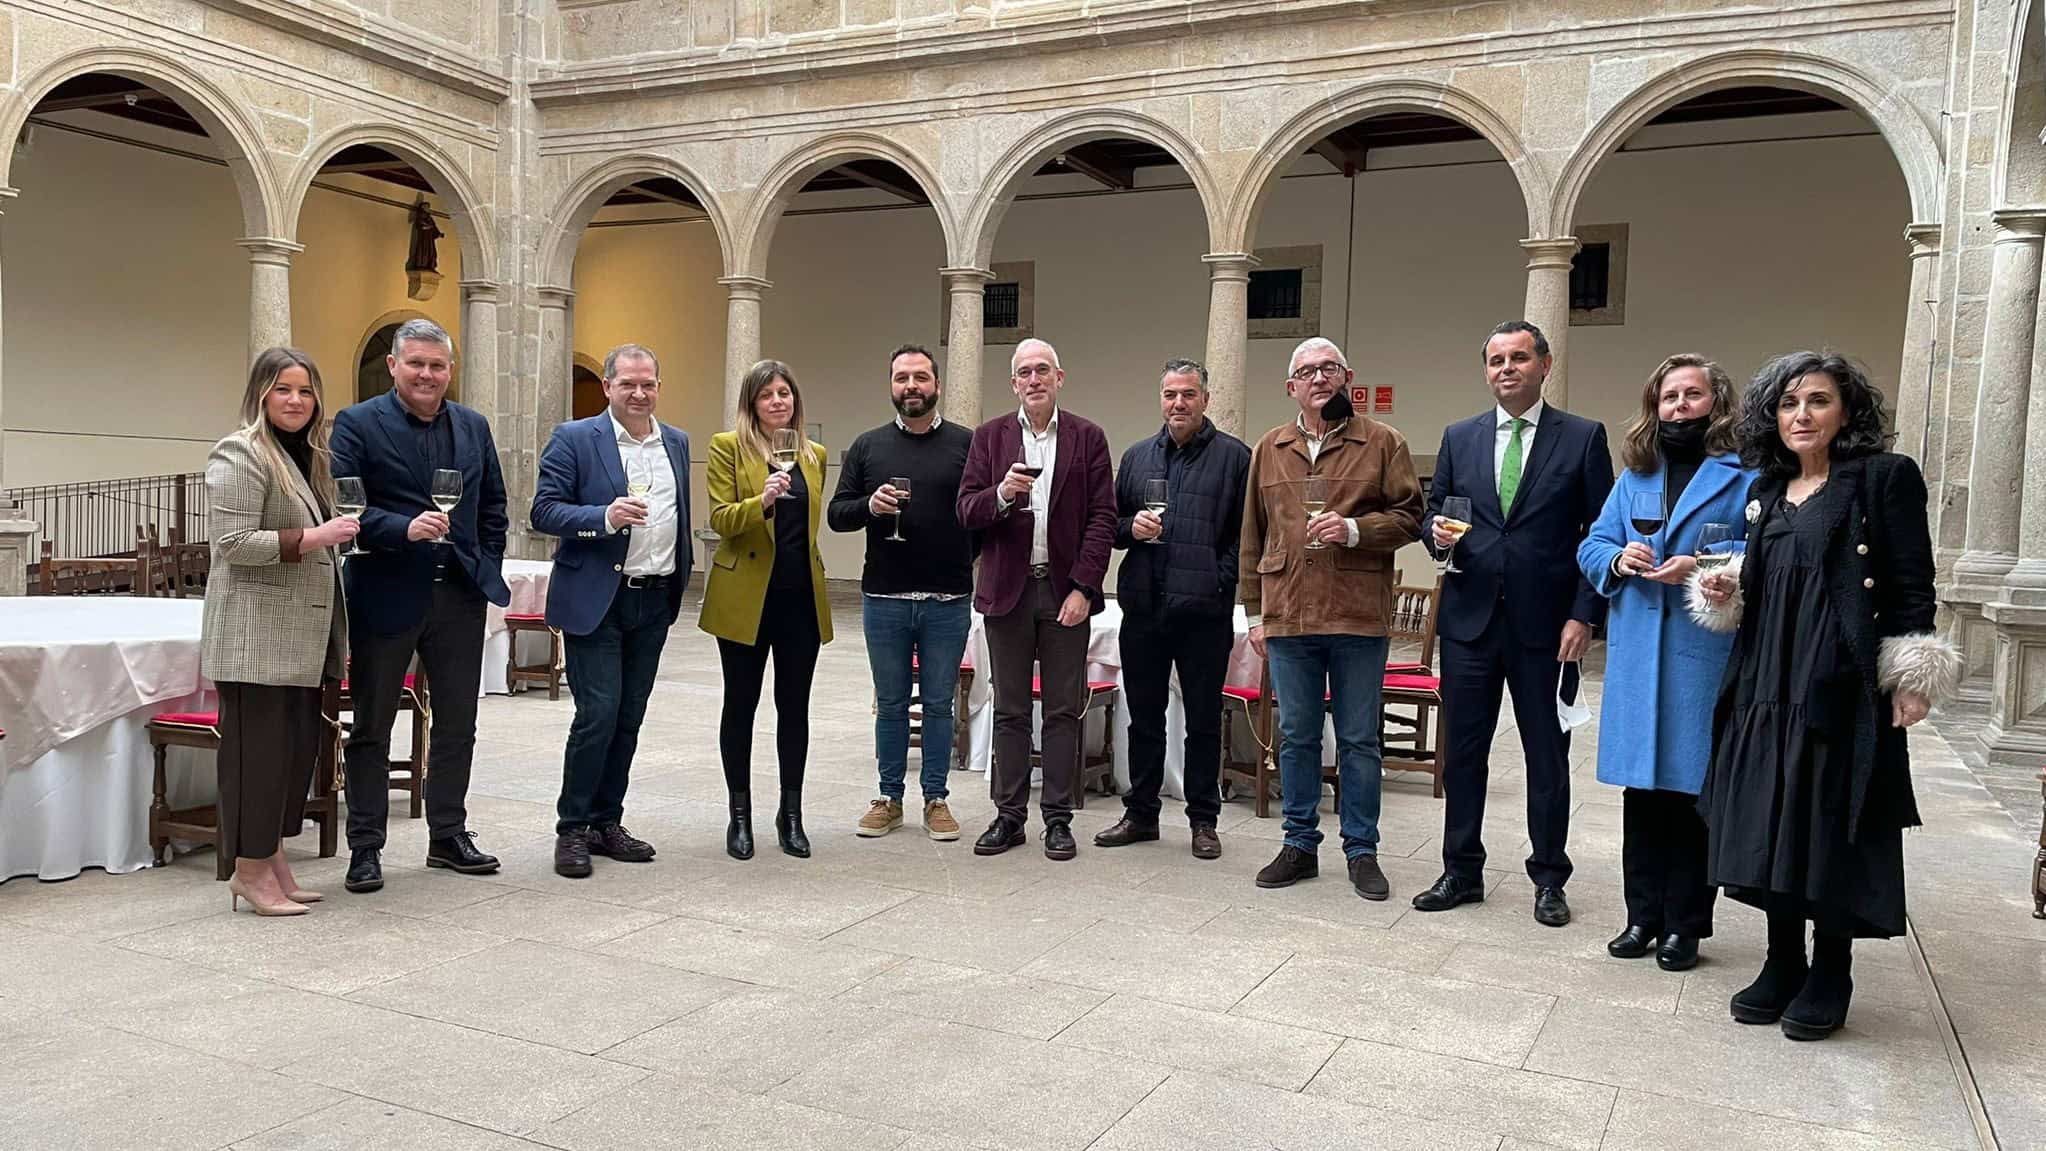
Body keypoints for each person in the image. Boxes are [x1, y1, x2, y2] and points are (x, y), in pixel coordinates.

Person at [1689, 352, 1958, 1041]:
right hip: (1763, 682)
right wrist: (1726, 586)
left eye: (1817, 400)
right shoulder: (1772, 488)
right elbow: (1771, 578)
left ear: (1848, 411)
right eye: (1787, 404)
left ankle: (1830, 969)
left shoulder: (1882, 479)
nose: (1800, 415)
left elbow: (1910, 581)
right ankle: (1782, 960)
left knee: (1830, 822)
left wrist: (1911, 676)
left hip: (1838, 685)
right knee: (1771, 817)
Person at [1413, 320, 1614, 926]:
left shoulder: (1581, 438)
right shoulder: (1459, 437)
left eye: (1519, 358)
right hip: (1470, 623)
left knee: (1546, 757)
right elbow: (1433, 515)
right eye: (1496, 360)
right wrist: (1436, 536)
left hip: (1548, 631)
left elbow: (1600, 535)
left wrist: (1585, 616)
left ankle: (1549, 878)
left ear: (1544, 366)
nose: (1507, 369)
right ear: (1486, 371)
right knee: (1464, 754)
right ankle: (1460, 870)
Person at [1575, 354, 1754, 970]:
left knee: (1690, 796)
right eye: (1668, 396)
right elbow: (1593, 542)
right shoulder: (1635, 477)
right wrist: (1616, 561)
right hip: (1637, 657)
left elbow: (1762, 548)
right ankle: (1640, 916)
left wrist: (1705, 565)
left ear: (1716, 403)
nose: (1680, 406)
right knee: (1641, 795)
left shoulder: (1744, 475)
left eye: (1692, 394)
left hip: (1700, 654)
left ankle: (1685, 927)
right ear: (1654, 407)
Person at [330, 317, 510, 894]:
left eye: (437, 366)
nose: (427, 374)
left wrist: (485, 561)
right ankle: (365, 846)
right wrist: (402, 529)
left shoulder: (473, 426)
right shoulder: (358, 424)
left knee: (460, 723)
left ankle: (448, 836)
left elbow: (493, 508)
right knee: (373, 725)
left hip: (459, 594)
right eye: (416, 364)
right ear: (393, 366)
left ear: (450, 370)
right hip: (386, 590)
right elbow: (346, 504)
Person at [1240, 338, 1422, 897]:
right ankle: (1298, 844)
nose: (1319, 378)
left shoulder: (1383, 441)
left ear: (1347, 378)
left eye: (1329, 369)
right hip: (1289, 615)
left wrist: (1355, 530)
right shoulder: (1270, 447)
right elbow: (1252, 534)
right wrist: (1252, 612)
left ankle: (1362, 851)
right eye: (1307, 371)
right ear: (1290, 386)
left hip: (1355, 613)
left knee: (1359, 738)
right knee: (1295, 736)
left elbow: (1412, 517)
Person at [200, 347, 357, 916]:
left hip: (300, 637)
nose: (296, 401)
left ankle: (272, 859)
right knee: (257, 758)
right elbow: (232, 544)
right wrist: (315, 540)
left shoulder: (307, 456)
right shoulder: (240, 452)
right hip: (255, 637)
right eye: (283, 389)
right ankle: (248, 870)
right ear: (261, 393)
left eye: (306, 391)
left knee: (290, 757)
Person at [530, 343, 692, 878]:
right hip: (598, 600)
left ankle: (606, 821)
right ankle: (571, 828)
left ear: (659, 387)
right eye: (628, 384)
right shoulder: (576, 438)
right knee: (597, 715)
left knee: (628, 718)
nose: (639, 393)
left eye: (648, 384)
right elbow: (543, 510)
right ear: (607, 387)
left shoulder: (676, 442)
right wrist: (604, 515)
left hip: (654, 598)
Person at [957, 338, 1117, 861]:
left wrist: (1084, 588)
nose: (1034, 380)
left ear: (1060, 377)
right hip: (1008, 590)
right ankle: (1008, 816)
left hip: (1063, 590)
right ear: (1013, 383)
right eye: (1024, 372)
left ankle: (1058, 819)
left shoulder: (1088, 438)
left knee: (1064, 710)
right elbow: (966, 510)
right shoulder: (988, 437)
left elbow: (1102, 518)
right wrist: (1002, 494)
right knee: (1008, 709)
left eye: (1042, 370)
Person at [1096, 358, 1251, 860]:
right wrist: (1130, 529)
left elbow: (1246, 537)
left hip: (1204, 613)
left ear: (1205, 399)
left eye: (1188, 394)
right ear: (1160, 400)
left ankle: (1204, 820)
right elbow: (1110, 523)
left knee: (1204, 721)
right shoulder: (1138, 457)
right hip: (1143, 607)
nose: (1178, 404)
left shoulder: (1235, 458)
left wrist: (1218, 579)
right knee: (1144, 718)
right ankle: (1141, 813)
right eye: (1170, 395)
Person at [828, 344, 974, 841]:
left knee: (938, 703)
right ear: (890, 385)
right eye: (901, 378)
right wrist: (869, 504)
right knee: (890, 703)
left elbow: (980, 515)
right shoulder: (868, 446)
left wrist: (961, 559)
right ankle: (889, 797)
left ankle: (936, 799)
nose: (911, 386)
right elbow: (837, 515)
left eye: (920, 377)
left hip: (948, 601)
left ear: (937, 384)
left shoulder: (967, 444)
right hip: (885, 598)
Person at [701, 359, 833, 860]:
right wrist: (763, 501)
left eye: (785, 393)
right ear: (751, 404)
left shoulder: (814, 454)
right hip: (745, 600)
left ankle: (791, 814)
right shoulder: (727, 447)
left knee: (793, 709)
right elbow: (720, 519)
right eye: (767, 395)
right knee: (740, 706)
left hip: (800, 597)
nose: (778, 401)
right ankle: (739, 816)